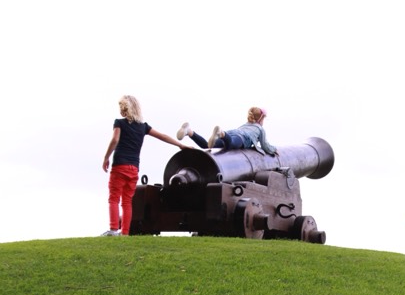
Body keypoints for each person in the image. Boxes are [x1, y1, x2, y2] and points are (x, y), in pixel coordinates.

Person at [101, 95, 190, 236]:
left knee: (114, 198)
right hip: (134, 169)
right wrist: (179, 144)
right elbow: (162, 136)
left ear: (124, 109)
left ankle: (113, 230)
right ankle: (124, 233)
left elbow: (115, 140)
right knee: (127, 201)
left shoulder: (119, 123)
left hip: (119, 166)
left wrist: (106, 157)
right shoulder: (143, 127)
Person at [176, 107, 278, 156]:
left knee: (207, 145)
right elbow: (265, 145)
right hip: (242, 138)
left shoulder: (245, 125)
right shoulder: (260, 129)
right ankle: (221, 133)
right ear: (260, 119)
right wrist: (274, 150)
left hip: (232, 133)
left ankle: (189, 132)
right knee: (230, 144)